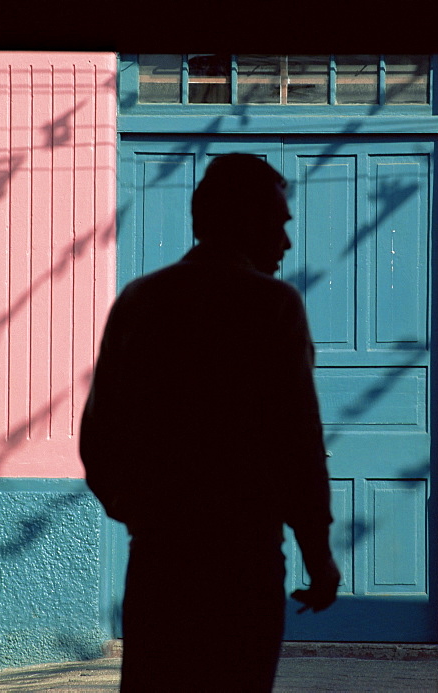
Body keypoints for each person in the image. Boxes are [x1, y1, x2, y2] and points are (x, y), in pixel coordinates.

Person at [80, 154, 340, 692]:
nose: (287, 244)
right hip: (244, 566)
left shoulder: (141, 301)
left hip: (158, 564)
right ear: (243, 223)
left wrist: (148, 520)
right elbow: (298, 444)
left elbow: (100, 438)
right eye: (278, 225)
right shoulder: (272, 307)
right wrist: (318, 556)